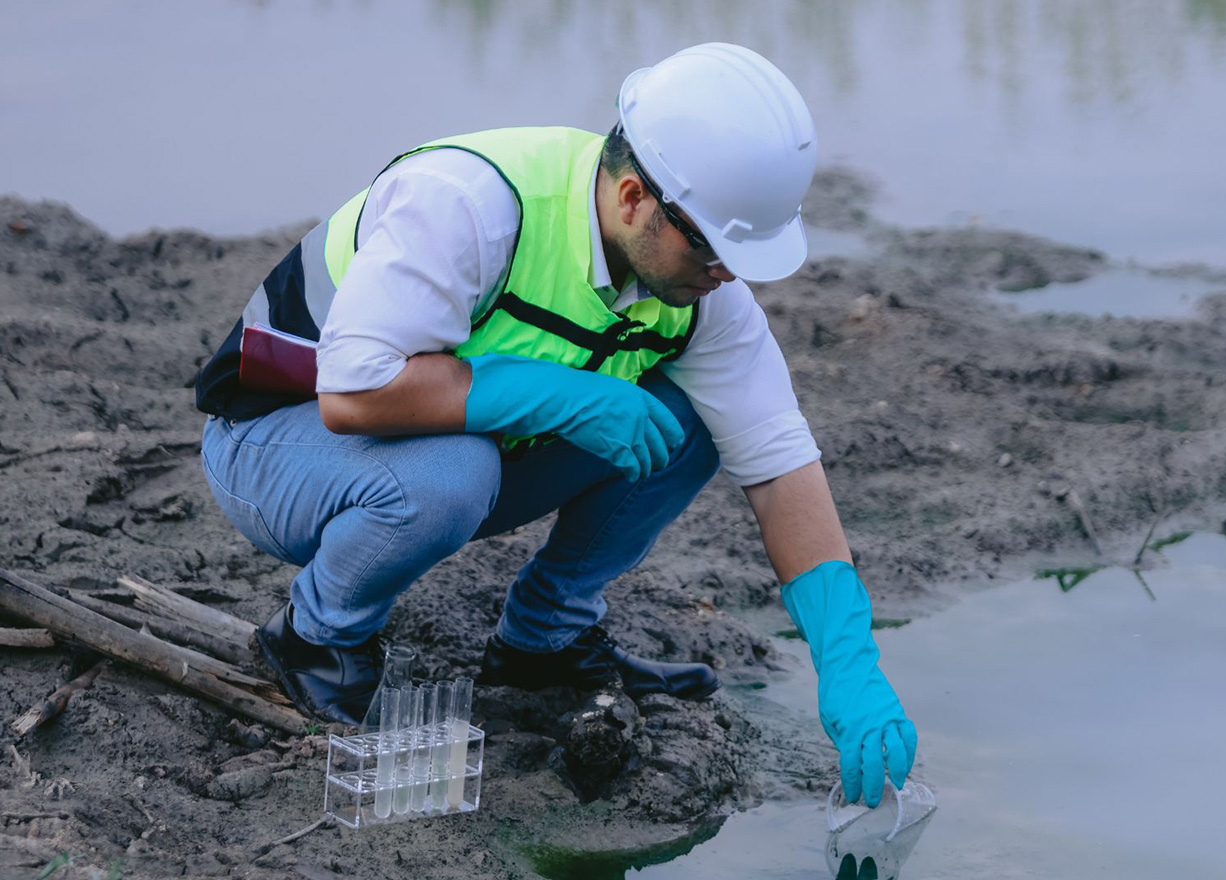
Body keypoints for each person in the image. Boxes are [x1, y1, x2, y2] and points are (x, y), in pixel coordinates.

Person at [193, 43, 915, 807]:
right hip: (277, 449)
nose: (727, 275)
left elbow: (778, 465)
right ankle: (316, 639)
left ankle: (545, 640)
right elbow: (353, 397)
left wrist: (849, 659)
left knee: (689, 419)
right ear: (634, 197)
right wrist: (559, 394)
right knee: (451, 474)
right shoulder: (470, 205)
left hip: (446, 455)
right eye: (713, 247)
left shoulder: (699, 290)